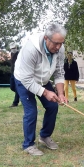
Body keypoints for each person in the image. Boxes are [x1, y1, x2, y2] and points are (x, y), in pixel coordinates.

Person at [14, 24, 67, 156]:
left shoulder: (60, 49)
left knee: (53, 106)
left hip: (43, 79)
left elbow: (59, 72)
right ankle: (28, 144)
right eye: (56, 43)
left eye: (61, 43)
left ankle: (44, 137)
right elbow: (27, 79)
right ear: (46, 38)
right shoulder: (31, 49)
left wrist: (60, 93)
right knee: (31, 111)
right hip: (24, 80)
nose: (58, 47)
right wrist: (45, 92)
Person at [9, 42, 20, 107]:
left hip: (18, 73)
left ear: (16, 47)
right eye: (12, 48)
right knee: (12, 87)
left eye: (14, 48)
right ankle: (20, 95)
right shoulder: (11, 53)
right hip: (12, 73)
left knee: (17, 88)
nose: (13, 49)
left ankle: (15, 103)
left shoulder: (19, 53)